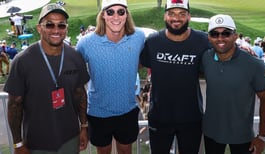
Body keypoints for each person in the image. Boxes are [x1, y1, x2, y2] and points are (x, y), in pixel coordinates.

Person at [4, 3, 90, 154]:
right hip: (36, 143)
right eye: (49, 25)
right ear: (39, 28)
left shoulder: (75, 57)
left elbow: (80, 94)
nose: (56, 30)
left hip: (70, 139)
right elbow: (14, 105)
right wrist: (18, 144)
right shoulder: (22, 61)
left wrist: (84, 127)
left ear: (66, 29)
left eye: (61, 25)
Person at [139, 0, 211, 153]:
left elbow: (225, 49)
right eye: (171, 13)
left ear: (189, 17)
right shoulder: (153, 41)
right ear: (165, 16)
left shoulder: (203, 41)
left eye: (182, 14)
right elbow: (137, 63)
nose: (176, 18)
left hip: (191, 117)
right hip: (160, 116)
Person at [76, 0, 145, 153]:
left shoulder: (139, 37)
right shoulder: (86, 43)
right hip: (98, 111)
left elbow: (140, 61)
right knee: (103, 151)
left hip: (127, 109)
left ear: (127, 15)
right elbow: (76, 75)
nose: (116, 16)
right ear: (103, 16)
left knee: (126, 151)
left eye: (121, 11)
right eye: (110, 11)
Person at [201, 14, 265, 154]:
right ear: (209, 38)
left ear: (235, 36)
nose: (220, 38)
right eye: (215, 34)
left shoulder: (254, 64)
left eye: (226, 33)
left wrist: (262, 136)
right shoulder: (205, 58)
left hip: (242, 136)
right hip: (211, 132)